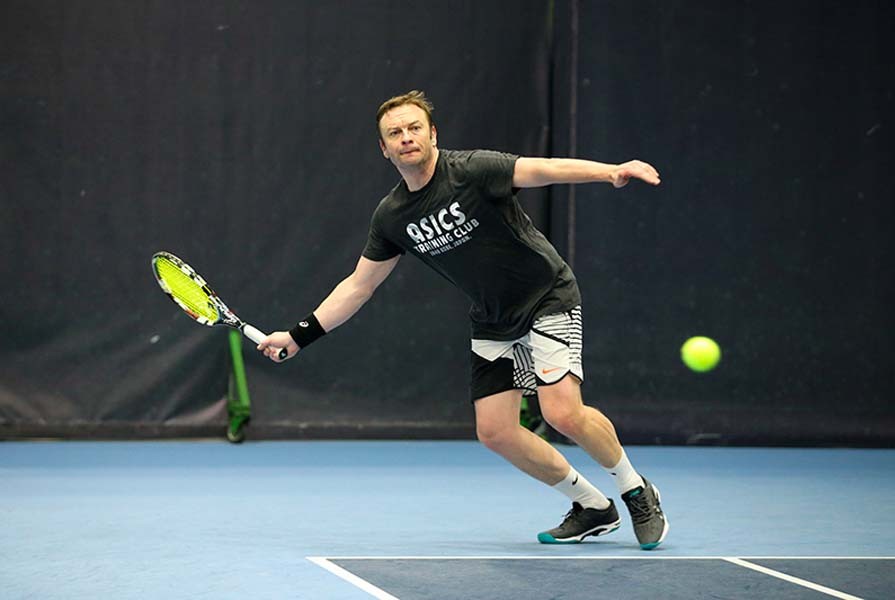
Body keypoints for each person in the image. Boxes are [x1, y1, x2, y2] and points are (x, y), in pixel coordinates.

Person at [257, 90, 668, 549]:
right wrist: (298, 336)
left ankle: (635, 489)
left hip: (546, 296)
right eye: (395, 133)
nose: (406, 137)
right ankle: (592, 506)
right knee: (495, 432)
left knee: (561, 412)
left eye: (414, 128)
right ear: (384, 148)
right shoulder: (392, 216)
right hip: (494, 319)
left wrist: (610, 171)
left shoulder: (472, 170)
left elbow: (544, 168)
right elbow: (359, 286)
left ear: (433, 134)